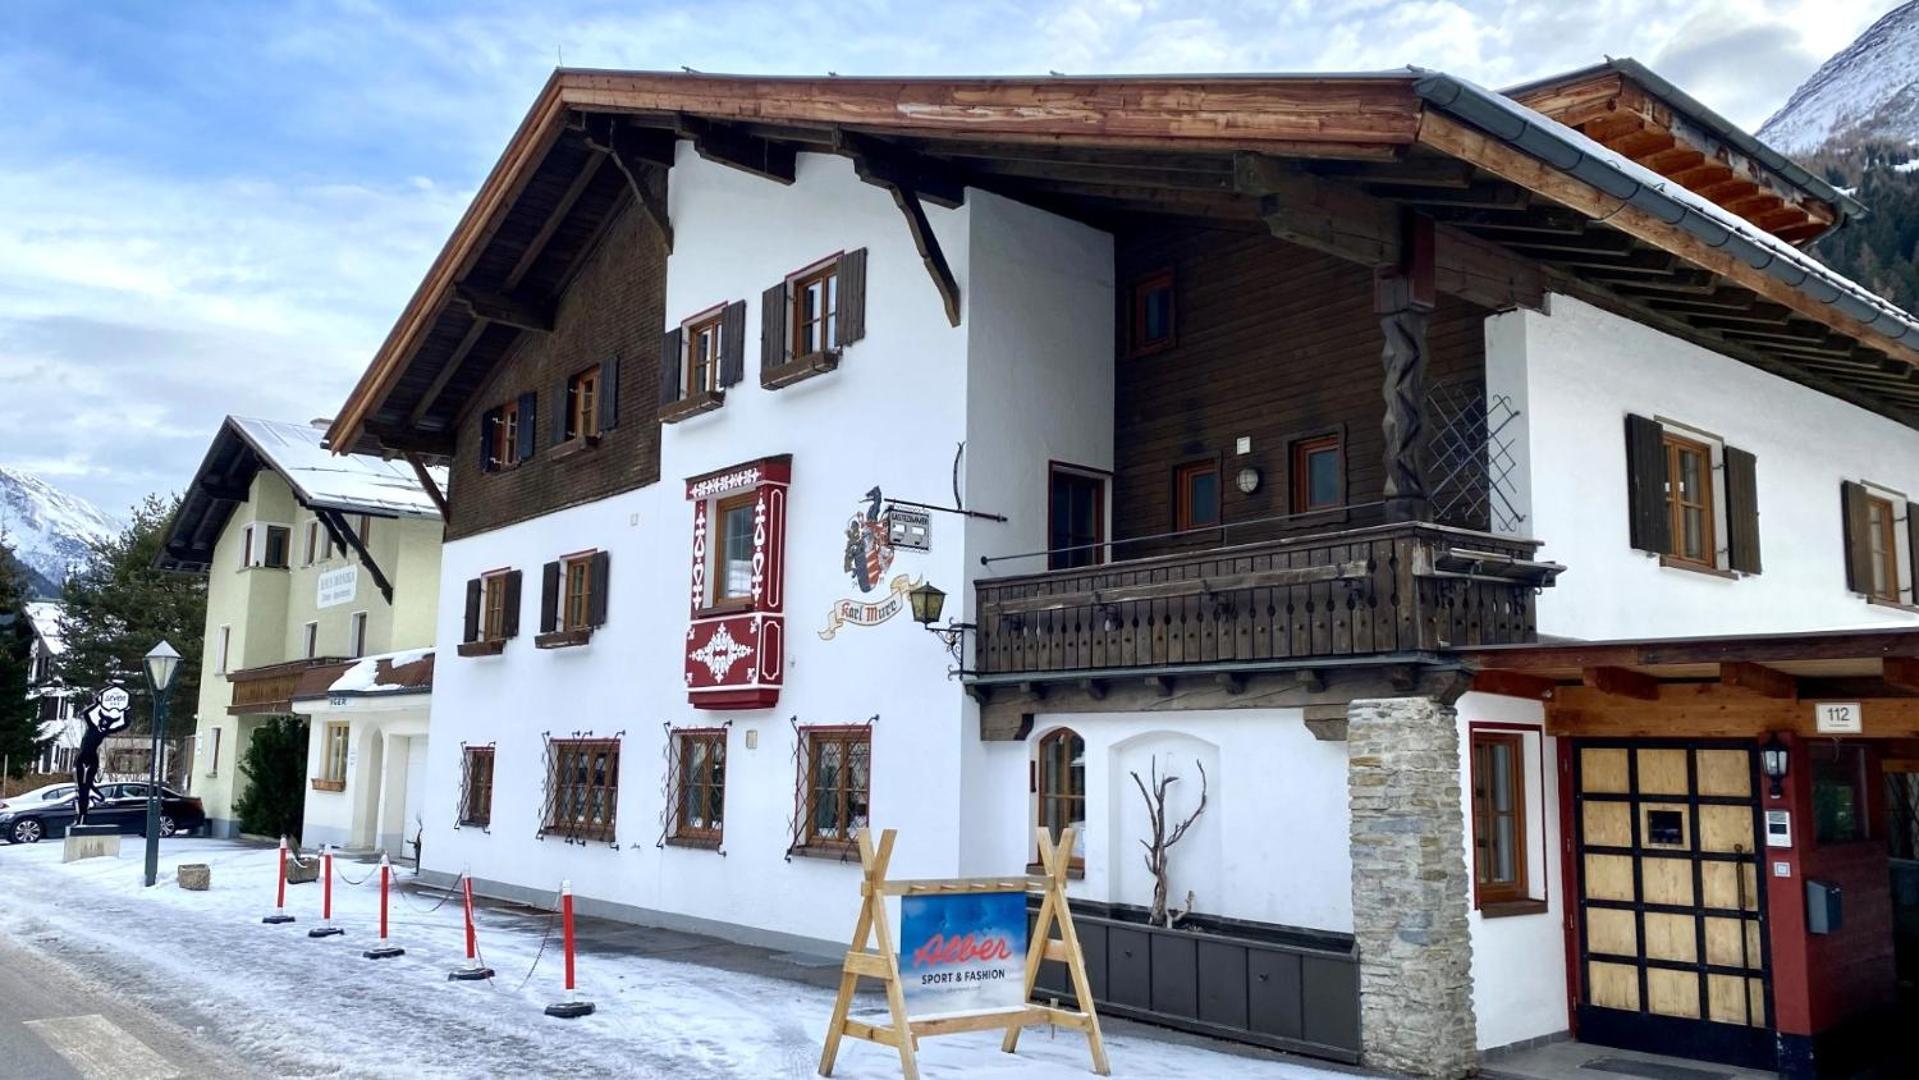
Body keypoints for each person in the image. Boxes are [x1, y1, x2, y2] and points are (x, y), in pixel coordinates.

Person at [73, 682, 131, 826]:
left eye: (106, 724)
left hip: (89, 758)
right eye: (103, 722)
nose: (103, 725)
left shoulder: (102, 731)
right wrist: (97, 702)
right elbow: (86, 714)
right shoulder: (94, 727)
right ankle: (91, 799)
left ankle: (83, 815)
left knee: (84, 787)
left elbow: (124, 724)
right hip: (83, 758)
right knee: (82, 787)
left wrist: (125, 711)